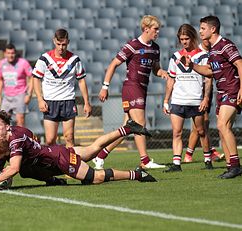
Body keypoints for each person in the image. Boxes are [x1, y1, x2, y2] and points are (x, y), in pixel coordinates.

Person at [0, 110, 156, 188]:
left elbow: (14, 168)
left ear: (7, 126)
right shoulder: (19, 131)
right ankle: (127, 128)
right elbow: (32, 139)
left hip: (60, 159)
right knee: (93, 149)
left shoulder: (15, 140)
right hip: (55, 153)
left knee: (94, 178)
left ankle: (138, 174)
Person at [93, 15, 168, 170]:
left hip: (143, 89)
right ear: (146, 29)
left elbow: (156, 69)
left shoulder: (155, 48)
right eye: (155, 29)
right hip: (132, 87)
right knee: (140, 124)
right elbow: (113, 64)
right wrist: (105, 86)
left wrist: (163, 73)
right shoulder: (132, 46)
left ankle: (100, 156)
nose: (158, 32)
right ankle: (145, 160)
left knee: (127, 128)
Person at [182, 16, 242, 179]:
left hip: (232, 90)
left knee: (223, 125)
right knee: (223, 130)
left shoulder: (225, 45)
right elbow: (210, 71)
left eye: (202, 28)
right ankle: (231, 167)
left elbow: (240, 64)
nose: (200, 31)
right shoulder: (213, 50)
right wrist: (192, 65)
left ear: (213, 29)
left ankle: (236, 166)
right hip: (221, 93)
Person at [162, 24, 213, 172]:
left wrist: (206, 98)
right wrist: (166, 100)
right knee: (176, 133)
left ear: (192, 37)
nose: (184, 41)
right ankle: (176, 164)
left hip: (196, 100)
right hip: (178, 100)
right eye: (181, 39)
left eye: (187, 38)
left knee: (201, 131)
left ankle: (208, 160)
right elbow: (171, 80)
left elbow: (208, 79)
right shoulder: (175, 57)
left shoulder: (202, 56)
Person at [33, 28, 92, 147]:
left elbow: (81, 81)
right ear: (54, 41)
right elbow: (36, 79)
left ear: (68, 42)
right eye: (59, 44)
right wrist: (40, 99)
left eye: (64, 44)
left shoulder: (74, 60)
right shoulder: (44, 59)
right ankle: (54, 164)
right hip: (50, 102)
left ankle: (71, 165)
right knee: (50, 140)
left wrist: (86, 102)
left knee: (69, 137)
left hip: (68, 101)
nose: (61, 48)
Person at [184, 39, 224, 163]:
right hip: (197, 91)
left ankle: (190, 155)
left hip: (207, 90)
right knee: (202, 123)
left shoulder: (213, 51)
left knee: (201, 125)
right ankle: (207, 152)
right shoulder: (198, 52)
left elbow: (210, 76)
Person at [0, 43, 34, 127]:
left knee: (20, 121)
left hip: (20, 95)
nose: (10, 55)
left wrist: (29, 94)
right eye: (8, 53)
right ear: (5, 53)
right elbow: (0, 79)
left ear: (15, 53)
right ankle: (6, 140)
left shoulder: (23, 63)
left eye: (12, 53)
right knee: (2, 121)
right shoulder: (2, 63)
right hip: (6, 96)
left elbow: (32, 77)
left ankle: (20, 139)